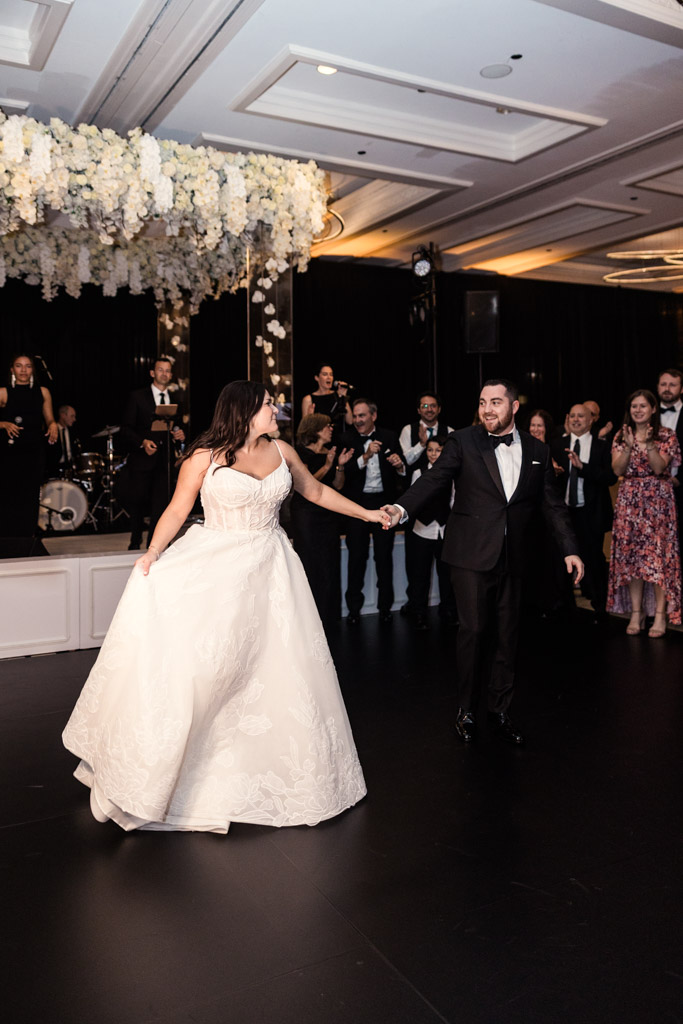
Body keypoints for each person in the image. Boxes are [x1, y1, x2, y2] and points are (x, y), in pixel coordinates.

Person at [62, 381, 389, 832]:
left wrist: (369, 514)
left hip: (272, 573)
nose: (277, 410)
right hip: (217, 570)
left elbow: (315, 492)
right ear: (245, 410)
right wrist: (153, 552)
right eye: (269, 405)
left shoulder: (283, 451)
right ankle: (173, 771)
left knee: (274, 669)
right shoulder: (204, 457)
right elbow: (177, 509)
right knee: (208, 672)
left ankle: (267, 772)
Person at [383, 379, 583, 746]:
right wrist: (400, 508)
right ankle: (467, 709)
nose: (487, 409)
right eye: (482, 402)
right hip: (471, 555)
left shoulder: (538, 449)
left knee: (508, 636)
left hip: (516, 557)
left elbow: (552, 504)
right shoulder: (463, 441)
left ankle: (500, 709)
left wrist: (570, 548)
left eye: (495, 402)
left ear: (514, 406)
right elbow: (435, 479)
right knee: (473, 632)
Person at [607, 389, 681, 638]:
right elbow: (617, 469)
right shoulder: (621, 435)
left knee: (658, 559)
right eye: (634, 406)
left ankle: (659, 615)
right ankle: (636, 612)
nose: (638, 410)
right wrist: (629, 446)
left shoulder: (666, 435)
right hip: (629, 503)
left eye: (643, 406)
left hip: (657, 503)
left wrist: (648, 444)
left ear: (653, 409)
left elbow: (660, 468)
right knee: (633, 559)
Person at [339, 398, 406, 624]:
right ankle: (354, 610)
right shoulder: (347, 439)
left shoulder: (389, 436)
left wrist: (399, 465)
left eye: (362, 415)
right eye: (355, 416)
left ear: (373, 416)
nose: (357, 420)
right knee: (356, 558)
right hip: (357, 506)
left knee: (384, 558)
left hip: (383, 504)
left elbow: (403, 470)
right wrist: (365, 457)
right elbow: (343, 473)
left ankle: (385, 608)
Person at [551, 404, 616, 622]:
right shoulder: (557, 445)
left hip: (591, 512)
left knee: (594, 559)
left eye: (581, 416)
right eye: (573, 416)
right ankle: (564, 607)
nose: (576, 419)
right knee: (563, 559)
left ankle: (600, 608)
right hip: (565, 513)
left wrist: (582, 467)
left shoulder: (601, 446)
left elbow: (610, 477)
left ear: (590, 420)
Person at [290, 413, 353, 627]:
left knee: (329, 562)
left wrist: (339, 465)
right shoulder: (300, 453)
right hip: (306, 514)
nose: (331, 429)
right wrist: (326, 465)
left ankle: (329, 616)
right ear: (315, 429)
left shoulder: (331, 452)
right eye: (327, 426)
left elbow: (338, 485)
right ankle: (309, 618)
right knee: (309, 561)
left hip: (328, 513)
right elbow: (303, 485)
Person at [120, 356, 186, 549]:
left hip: (164, 461)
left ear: (171, 375)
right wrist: (142, 442)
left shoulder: (176, 399)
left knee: (161, 504)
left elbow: (177, 426)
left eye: (168, 371)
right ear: (152, 373)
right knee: (138, 502)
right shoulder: (137, 397)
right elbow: (126, 428)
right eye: (160, 370)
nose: (164, 374)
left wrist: (179, 434)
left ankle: (155, 545)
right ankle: (135, 540)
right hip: (142, 458)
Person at [401, 435, 457, 630]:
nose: (434, 454)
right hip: (422, 530)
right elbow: (413, 500)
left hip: (443, 531)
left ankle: (447, 610)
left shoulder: (452, 474)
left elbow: (453, 500)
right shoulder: (419, 473)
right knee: (420, 576)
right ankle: (419, 613)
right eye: (430, 450)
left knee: (446, 576)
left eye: (438, 450)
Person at [0, 353, 58, 536]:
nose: (23, 370)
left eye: (27, 366)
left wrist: (53, 425)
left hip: (34, 450)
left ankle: (27, 537)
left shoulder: (43, 392)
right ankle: (7, 538)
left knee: (31, 495)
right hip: (9, 452)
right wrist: (3, 424)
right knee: (9, 494)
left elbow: (49, 418)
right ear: (12, 370)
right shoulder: (3, 392)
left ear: (32, 370)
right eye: (19, 366)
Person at [657, 368, 683, 558]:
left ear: (681, 389)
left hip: (680, 487)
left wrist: (678, 479)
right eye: (663, 384)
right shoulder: (645, 414)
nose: (667, 388)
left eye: (672, 385)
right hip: (652, 490)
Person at [399, 391, 453, 467]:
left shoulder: (450, 431)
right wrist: (421, 444)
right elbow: (404, 461)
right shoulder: (408, 430)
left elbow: (453, 460)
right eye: (425, 406)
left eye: (433, 406)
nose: (429, 409)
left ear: (439, 409)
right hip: (415, 474)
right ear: (419, 410)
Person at [300, 364, 352, 434]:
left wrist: (343, 397)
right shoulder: (308, 399)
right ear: (317, 378)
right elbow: (304, 429)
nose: (329, 377)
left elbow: (350, 421)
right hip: (319, 438)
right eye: (325, 374)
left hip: (338, 436)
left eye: (331, 374)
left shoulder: (338, 395)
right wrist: (310, 417)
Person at [46, 404, 80, 478]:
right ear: (63, 415)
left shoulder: (73, 432)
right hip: (54, 471)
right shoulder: (51, 431)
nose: (74, 419)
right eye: (72, 416)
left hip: (70, 470)